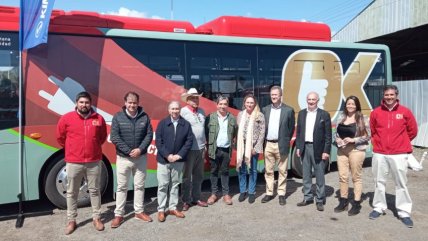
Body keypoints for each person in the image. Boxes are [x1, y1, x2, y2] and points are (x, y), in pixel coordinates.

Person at [56, 91, 107, 235]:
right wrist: (73, 150)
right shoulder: (66, 118)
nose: (84, 105)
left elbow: (102, 137)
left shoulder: (99, 118)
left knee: (95, 190)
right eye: (81, 102)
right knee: (72, 192)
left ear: (91, 104)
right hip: (74, 162)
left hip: (93, 161)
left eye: (87, 102)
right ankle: (71, 220)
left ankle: (97, 218)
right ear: (76, 103)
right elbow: (60, 138)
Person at [369, 85, 418, 228]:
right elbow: (373, 131)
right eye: (386, 95)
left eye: (391, 95)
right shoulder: (376, 112)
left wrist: (401, 143)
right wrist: (378, 143)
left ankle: (404, 212)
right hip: (380, 153)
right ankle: (378, 207)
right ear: (383, 96)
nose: (389, 97)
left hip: (399, 153)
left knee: (401, 183)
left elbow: (413, 130)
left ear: (396, 95)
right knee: (379, 182)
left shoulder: (405, 112)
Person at [110, 92, 153, 228]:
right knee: (122, 187)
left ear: (138, 103)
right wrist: (129, 151)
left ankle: (139, 212)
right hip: (123, 158)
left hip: (140, 158)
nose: (132, 105)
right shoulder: (118, 117)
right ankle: (119, 215)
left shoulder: (145, 117)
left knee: (139, 186)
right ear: (125, 103)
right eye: (130, 102)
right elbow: (114, 137)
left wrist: (140, 149)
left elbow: (149, 134)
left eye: (135, 102)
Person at [155, 101, 193, 222]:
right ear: (168, 110)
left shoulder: (186, 124)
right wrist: (167, 155)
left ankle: (172, 207)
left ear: (180, 110)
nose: (175, 111)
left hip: (178, 160)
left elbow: (189, 142)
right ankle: (161, 209)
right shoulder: (162, 123)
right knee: (162, 185)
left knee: (175, 184)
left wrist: (179, 155)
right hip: (163, 160)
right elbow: (158, 141)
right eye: (172, 109)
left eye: (177, 109)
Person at [333, 96, 370, 216]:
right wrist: (337, 139)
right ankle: (343, 202)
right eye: (348, 104)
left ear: (357, 106)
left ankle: (356, 203)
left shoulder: (363, 118)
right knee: (343, 177)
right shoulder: (341, 117)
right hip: (342, 150)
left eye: (353, 104)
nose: (350, 106)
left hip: (356, 151)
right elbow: (336, 132)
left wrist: (353, 139)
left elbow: (368, 136)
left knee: (356, 177)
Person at [295, 91, 332, 212]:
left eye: (313, 99)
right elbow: (299, 132)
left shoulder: (324, 115)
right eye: (309, 99)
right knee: (306, 175)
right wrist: (299, 147)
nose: (311, 101)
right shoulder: (301, 114)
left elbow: (328, 136)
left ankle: (320, 199)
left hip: (319, 149)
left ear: (318, 100)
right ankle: (308, 197)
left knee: (319, 175)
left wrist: (326, 151)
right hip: (305, 148)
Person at [261, 86, 295, 206]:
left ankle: (281, 194)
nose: (274, 97)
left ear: (281, 96)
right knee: (268, 171)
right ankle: (269, 193)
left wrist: (285, 140)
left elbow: (290, 129)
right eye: (272, 95)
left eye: (276, 95)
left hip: (281, 144)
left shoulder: (289, 110)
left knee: (282, 171)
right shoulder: (265, 110)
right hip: (268, 144)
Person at [205, 96, 238, 205]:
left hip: (226, 150)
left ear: (227, 105)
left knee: (225, 171)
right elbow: (206, 132)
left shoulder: (232, 118)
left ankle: (226, 194)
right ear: (217, 105)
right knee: (213, 171)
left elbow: (235, 133)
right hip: (214, 149)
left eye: (225, 104)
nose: (223, 106)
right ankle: (214, 194)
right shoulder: (210, 117)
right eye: (221, 104)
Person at [180, 88, 208, 210]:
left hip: (201, 148)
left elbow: (203, 130)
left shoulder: (202, 111)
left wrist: (205, 144)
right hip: (189, 149)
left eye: (197, 98)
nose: (195, 100)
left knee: (199, 175)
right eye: (193, 98)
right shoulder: (183, 112)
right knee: (187, 177)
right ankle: (186, 200)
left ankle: (196, 198)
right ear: (187, 100)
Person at [236, 94, 265, 204]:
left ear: (255, 104)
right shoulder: (240, 115)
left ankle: (252, 192)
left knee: (253, 170)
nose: (249, 104)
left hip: (253, 148)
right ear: (244, 103)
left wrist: (256, 148)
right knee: (242, 169)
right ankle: (243, 191)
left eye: (251, 102)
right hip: (241, 147)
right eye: (247, 102)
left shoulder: (259, 115)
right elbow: (238, 131)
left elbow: (262, 134)